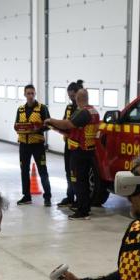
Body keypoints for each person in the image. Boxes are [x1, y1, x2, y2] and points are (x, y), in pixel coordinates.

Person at [45, 88, 100, 220]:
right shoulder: (94, 111)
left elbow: (67, 124)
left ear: (77, 98)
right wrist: (56, 128)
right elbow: (76, 130)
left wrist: (51, 120)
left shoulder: (82, 112)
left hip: (79, 152)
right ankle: (84, 207)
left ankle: (82, 211)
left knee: (78, 181)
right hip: (89, 151)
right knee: (84, 181)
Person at [13, 84, 52, 206]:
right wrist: (17, 128)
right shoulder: (20, 109)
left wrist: (38, 127)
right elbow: (17, 124)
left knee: (42, 170)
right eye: (28, 93)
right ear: (24, 94)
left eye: (32, 93)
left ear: (35, 94)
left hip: (37, 145)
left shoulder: (42, 108)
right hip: (24, 144)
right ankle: (26, 196)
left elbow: (49, 125)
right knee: (24, 170)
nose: (30, 96)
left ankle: (47, 197)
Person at [57, 80, 83, 208]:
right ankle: (70, 196)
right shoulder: (68, 108)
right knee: (68, 172)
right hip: (68, 144)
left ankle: (79, 199)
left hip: (78, 147)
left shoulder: (82, 109)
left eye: (73, 96)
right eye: (69, 96)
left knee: (76, 174)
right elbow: (64, 122)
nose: (71, 99)